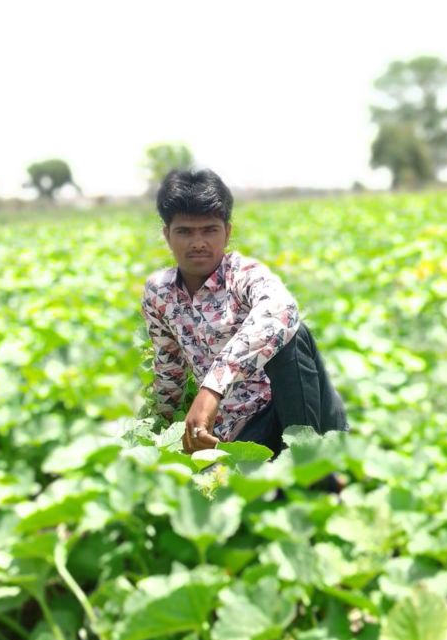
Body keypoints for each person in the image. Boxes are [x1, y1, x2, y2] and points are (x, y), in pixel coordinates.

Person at [140, 168, 349, 490]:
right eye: (185, 232)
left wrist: (212, 387)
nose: (198, 243)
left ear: (227, 232)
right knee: (213, 494)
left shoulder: (245, 275)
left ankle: (316, 474)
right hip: (238, 434)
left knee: (292, 335)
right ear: (167, 235)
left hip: (294, 413)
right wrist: (161, 433)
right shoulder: (160, 292)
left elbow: (280, 311)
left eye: (209, 230)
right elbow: (170, 371)